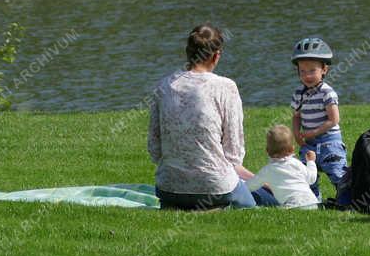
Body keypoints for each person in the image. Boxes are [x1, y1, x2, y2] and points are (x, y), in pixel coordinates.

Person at [148, 24, 278, 210]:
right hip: (215, 189)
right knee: (270, 201)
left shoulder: (163, 86)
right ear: (217, 55)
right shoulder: (225, 87)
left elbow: (154, 148)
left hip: (168, 189)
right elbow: (233, 155)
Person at [290, 37, 351, 207]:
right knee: (308, 177)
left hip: (329, 142)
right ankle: (312, 203)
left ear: (324, 69)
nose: (307, 75)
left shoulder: (327, 93)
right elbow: (296, 116)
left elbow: (334, 120)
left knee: (338, 174)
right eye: (302, 71)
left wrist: (313, 133)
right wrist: (297, 134)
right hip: (308, 144)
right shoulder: (299, 93)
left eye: (312, 70)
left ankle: (347, 202)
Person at [246, 125, 319, 209]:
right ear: (292, 149)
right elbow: (311, 178)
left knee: (266, 208)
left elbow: (251, 185)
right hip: (312, 202)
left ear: (267, 151)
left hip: (292, 205)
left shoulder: (268, 170)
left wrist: (239, 187)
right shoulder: (296, 163)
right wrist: (311, 162)